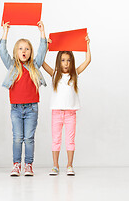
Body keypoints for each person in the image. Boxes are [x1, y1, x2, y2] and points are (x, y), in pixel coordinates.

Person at [0, 21, 47, 176]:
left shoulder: (35, 65)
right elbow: (2, 51)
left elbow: (42, 50)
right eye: (20, 48)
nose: (24, 51)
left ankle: (28, 165)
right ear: (16, 52)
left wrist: (42, 32)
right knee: (17, 138)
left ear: (30, 52)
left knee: (29, 138)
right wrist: (5, 32)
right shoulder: (12, 66)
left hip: (32, 108)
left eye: (27, 49)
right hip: (16, 108)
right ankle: (16, 165)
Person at [42, 35, 91, 176]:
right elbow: (42, 62)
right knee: (56, 140)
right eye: (63, 60)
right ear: (59, 62)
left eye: (69, 61)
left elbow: (87, 61)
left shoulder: (74, 74)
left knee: (70, 140)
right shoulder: (55, 74)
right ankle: (55, 165)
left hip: (70, 114)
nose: (66, 63)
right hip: (57, 113)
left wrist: (87, 44)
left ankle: (69, 165)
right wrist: (47, 47)